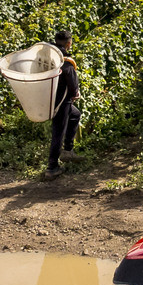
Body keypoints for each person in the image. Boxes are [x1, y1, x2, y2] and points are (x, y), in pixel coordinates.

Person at [46, 30, 82, 178]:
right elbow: (72, 82)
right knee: (58, 132)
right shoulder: (65, 61)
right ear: (69, 43)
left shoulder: (48, 56)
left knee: (75, 115)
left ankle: (68, 151)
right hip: (62, 101)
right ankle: (52, 167)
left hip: (49, 97)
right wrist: (75, 93)